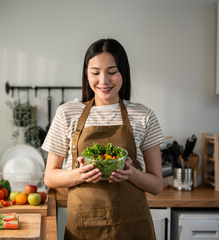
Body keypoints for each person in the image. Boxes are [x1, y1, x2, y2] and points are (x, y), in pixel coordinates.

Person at [42, 38, 165, 240]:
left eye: (112, 72)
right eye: (96, 72)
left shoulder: (144, 116)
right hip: (84, 228)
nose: (104, 81)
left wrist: (130, 173)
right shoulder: (67, 113)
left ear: (123, 72)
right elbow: (50, 177)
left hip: (132, 228)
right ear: (86, 74)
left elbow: (157, 185)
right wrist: (81, 175)